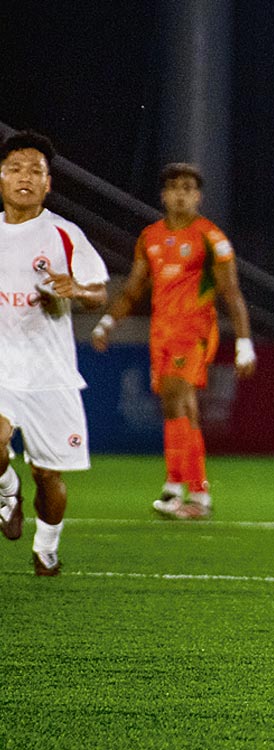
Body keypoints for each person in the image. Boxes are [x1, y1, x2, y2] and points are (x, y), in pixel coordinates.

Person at [91, 162, 256, 520]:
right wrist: (107, 322)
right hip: (161, 331)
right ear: (164, 195)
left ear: (198, 197)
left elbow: (231, 292)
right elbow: (134, 288)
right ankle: (198, 494)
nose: (181, 194)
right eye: (175, 188)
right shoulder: (150, 237)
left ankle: (173, 486)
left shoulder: (211, 238)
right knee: (182, 406)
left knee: (173, 397)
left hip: (195, 330)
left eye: (188, 188)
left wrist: (244, 342)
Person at [0, 130, 110, 576]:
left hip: (50, 375)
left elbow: (99, 293)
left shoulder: (64, 235)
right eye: (15, 169)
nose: (24, 177)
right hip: (2, 370)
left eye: (35, 171)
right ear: (1, 178)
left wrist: (77, 289)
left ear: (48, 184)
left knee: (48, 476)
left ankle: (46, 548)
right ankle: (7, 492)